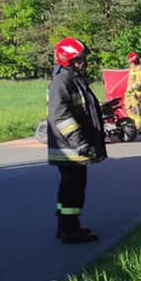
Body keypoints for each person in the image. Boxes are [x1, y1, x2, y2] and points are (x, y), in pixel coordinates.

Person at [48, 37, 106, 243]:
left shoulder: (74, 78)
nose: (83, 63)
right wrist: (79, 141)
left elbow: (81, 108)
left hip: (73, 147)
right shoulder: (61, 82)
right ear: (66, 60)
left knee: (71, 187)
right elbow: (60, 116)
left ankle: (66, 226)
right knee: (73, 189)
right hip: (70, 148)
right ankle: (70, 230)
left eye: (83, 59)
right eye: (79, 60)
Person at [124, 52, 141, 132]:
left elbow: (139, 83)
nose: (129, 63)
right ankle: (133, 124)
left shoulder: (139, 69)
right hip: (129, 94)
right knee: (128, 108)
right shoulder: (133, 69)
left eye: (130, 62)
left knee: (136, 111)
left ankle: (138, 127)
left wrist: (132, 90)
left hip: (135, 94)